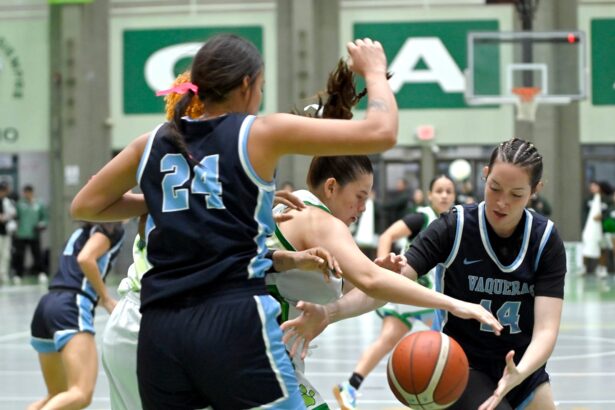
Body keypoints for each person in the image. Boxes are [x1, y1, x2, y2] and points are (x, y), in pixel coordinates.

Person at [70, 33, 404, 409]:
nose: (260, 98)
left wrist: (166, 199)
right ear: (246, 85)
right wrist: (375, 71)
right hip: (226, 322)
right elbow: (382, 131)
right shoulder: (254, 135)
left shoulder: (153, 142)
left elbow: (85, 206)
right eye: (260, 88)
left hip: (157, 327)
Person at [100, 72, 342, 410]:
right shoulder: (217, 173)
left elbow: (88, 204)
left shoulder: (169, 172)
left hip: (136, 323)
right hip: (173, 323)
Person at [286, 138, 566, 410]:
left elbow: (546, 330)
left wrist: (520, 372)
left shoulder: (544, 239)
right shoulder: (453, 226)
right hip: (464, 366)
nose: (502, 202)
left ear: (535, 189)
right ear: (485, 175)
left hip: (523, 367)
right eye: (494, 188)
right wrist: (330, 312)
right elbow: (383, 287)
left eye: (516, 194)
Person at [333, 175, 456, 406]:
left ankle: (452, 391)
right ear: (429, 195)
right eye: (439, 190)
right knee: (390, 340)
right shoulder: (422, 217)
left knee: (443, 345)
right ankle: (350, 387)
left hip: (431, 297)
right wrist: (380, 268)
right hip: (408, 293)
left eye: (449, 191)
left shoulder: (456, 223)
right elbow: (389, 234)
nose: (444, 195)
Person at [28, 222, 125, 410]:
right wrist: (105, 298)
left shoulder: (81, 231)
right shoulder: (108, 230)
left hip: (47, 304)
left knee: (57, 395)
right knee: (81, 393)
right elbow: (86, 259)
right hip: (70, 307)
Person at [13, 185, 48, 284]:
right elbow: (16, 217)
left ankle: (40, 273)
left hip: (34, 234)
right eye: (25, 192)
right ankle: (18, 274)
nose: (27, 194)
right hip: (22, 233)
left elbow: (44, 218)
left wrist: (42, 224)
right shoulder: (20, 204)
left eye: (29, 192)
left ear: (32, 192)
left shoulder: (39, 204)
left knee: (37, 254)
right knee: (20, 255)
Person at [0, 181, 16, 285]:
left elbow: (13, 213)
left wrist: (6, 217)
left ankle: (3, 273)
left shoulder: (7, 201)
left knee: (6, 254)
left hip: (5, 231)